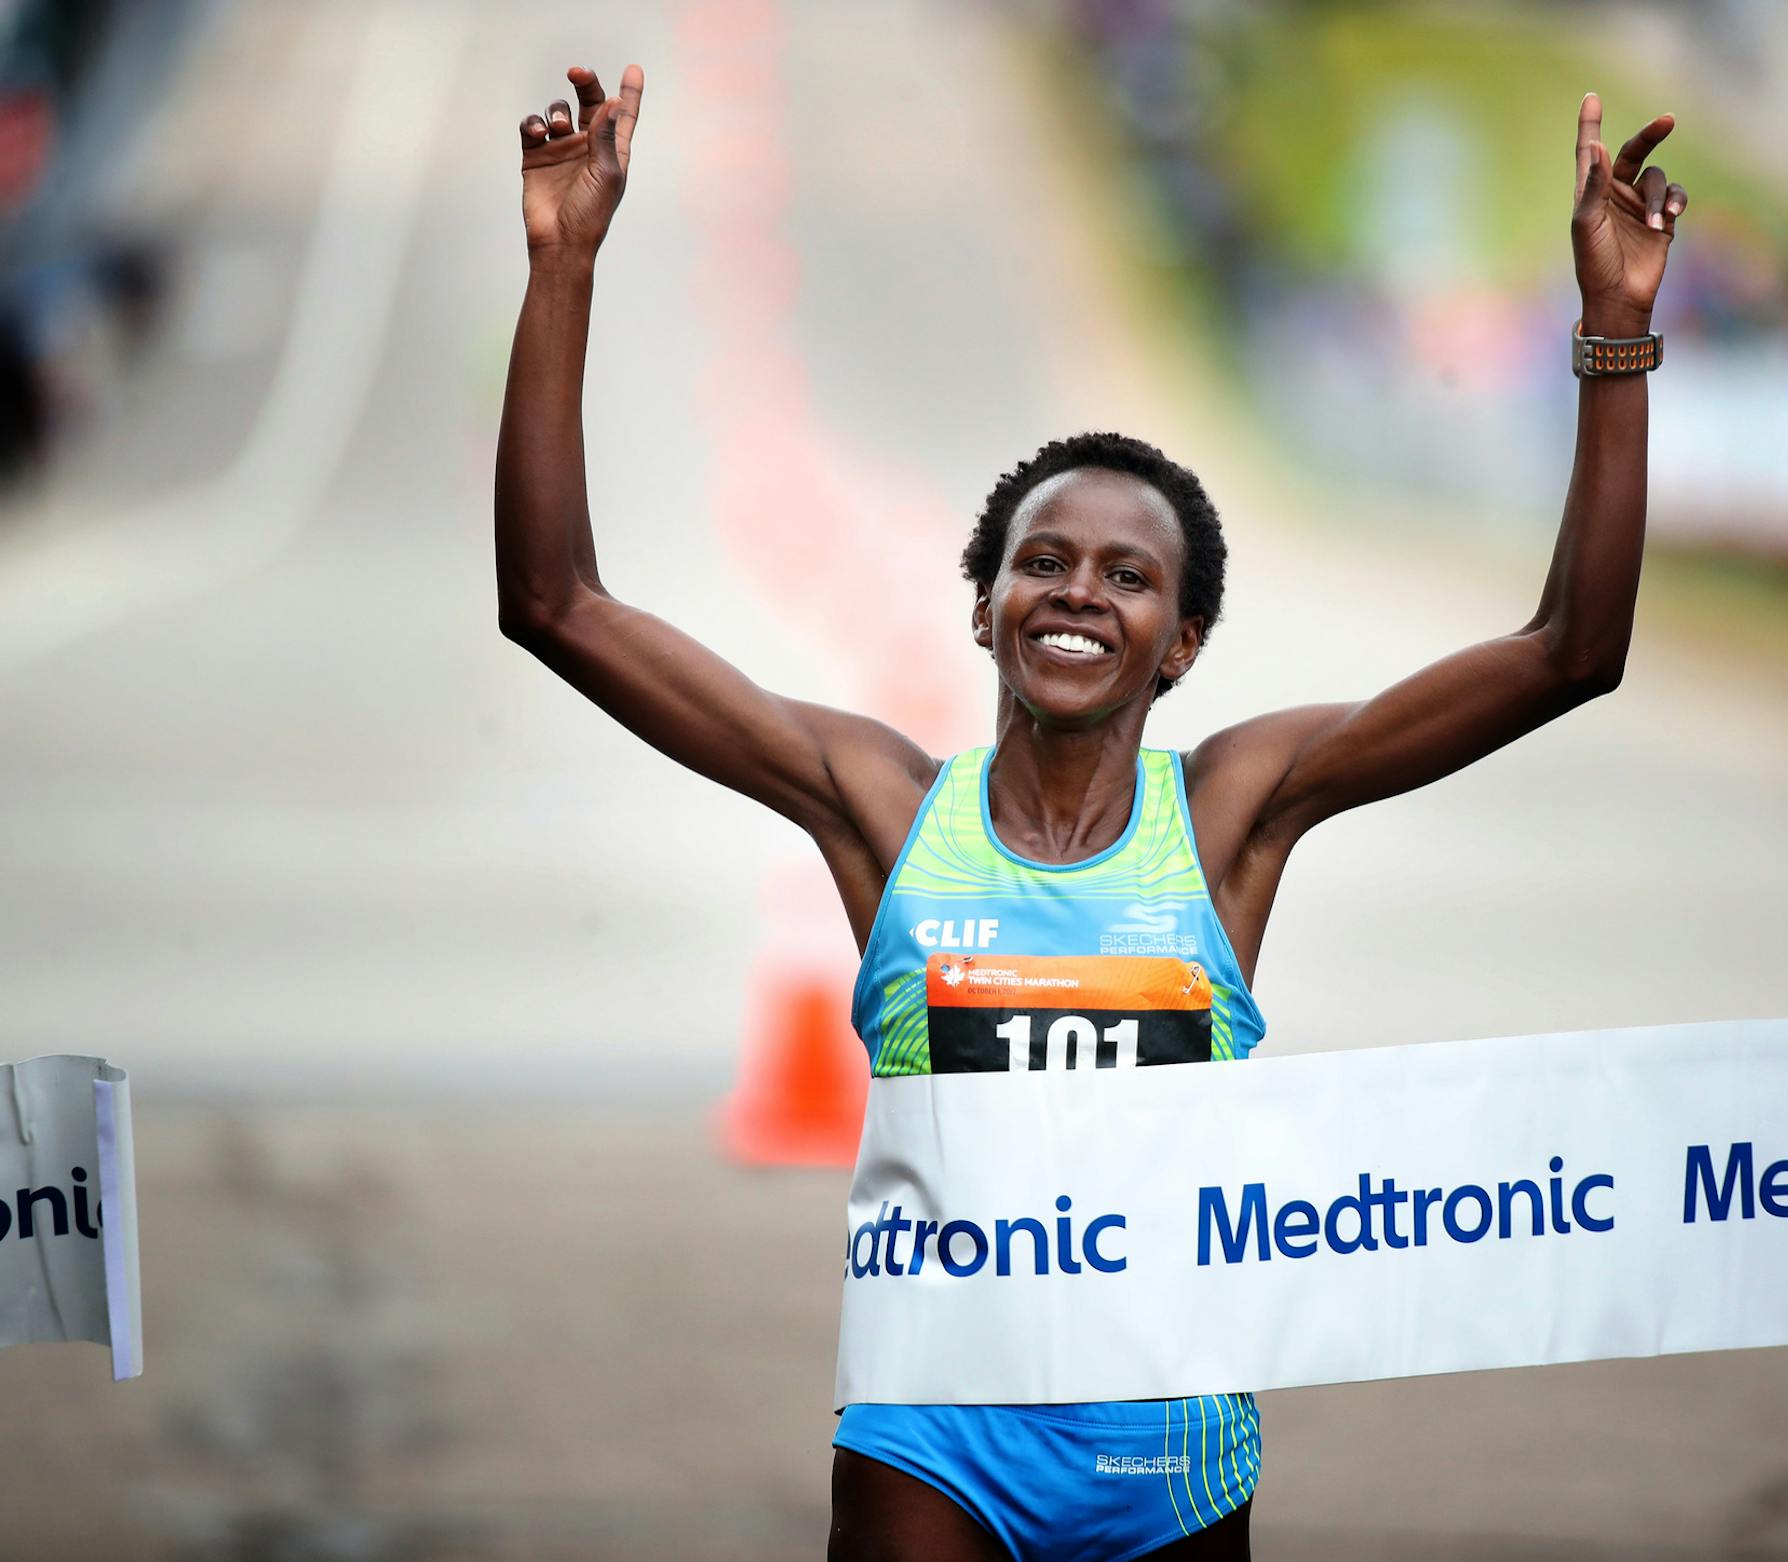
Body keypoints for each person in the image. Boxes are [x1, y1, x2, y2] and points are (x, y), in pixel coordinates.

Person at [499, 62, 1685, 1562]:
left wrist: (1617, 335)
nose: (1079, 590)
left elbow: (1571, 651)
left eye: (1130, 575)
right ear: (986, 606)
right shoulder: (879, 808)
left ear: (1181, 643)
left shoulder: (1239, 815)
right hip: (932, 1441)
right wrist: (562, 265)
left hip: (1170, 1462)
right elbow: (555, 607)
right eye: (1043, 560)